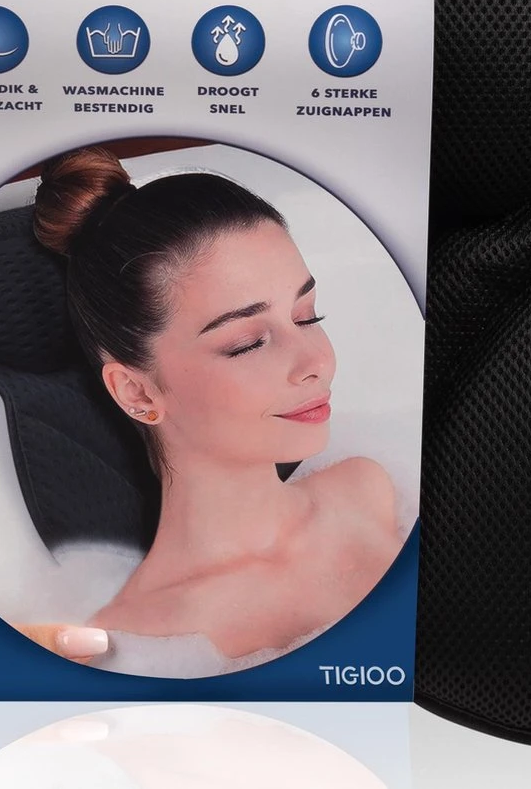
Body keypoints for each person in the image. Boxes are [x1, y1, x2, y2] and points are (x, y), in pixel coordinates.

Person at [26, 145, 403, 673]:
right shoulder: (135, 644)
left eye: (307, 316)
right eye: (248, 343)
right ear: (137, 392)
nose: (316, 362)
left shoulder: (369, 490)